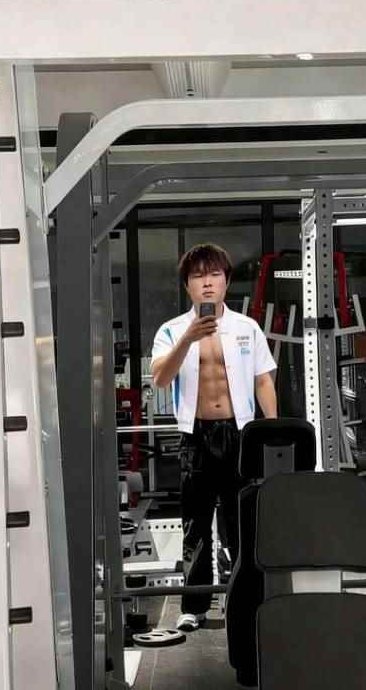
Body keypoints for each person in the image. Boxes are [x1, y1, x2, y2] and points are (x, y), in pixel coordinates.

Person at [151, 243, 277, 631]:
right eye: (198, 276)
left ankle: (246, 602)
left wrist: (270, 429)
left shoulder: (247, 327)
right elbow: (160, 378)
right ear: (187, 285)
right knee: (195, 525)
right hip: (196, 436)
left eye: (214, 275)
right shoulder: (172, 330)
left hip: (240, 433)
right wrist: (188, 338)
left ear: (226, 282)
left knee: (241, 524)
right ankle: (195, 606)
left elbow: (263, 381)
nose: (207, 282)